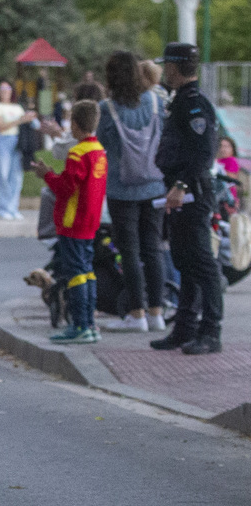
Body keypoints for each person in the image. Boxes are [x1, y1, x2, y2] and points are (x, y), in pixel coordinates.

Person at [150, 42, 222, 355]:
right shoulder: (182, 100)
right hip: (182, 191)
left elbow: (203, 151)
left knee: (202, 264)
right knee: (185, 261)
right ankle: (185, 327)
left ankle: (211, 332)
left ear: (176, 67)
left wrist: (180, 184)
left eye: (167, 65)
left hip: (192, 191)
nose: (165, 70)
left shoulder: (193, 102)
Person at [96, 50, 168, 334]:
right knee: (153, 249)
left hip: (121, 188)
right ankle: (157, 313)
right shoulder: (154, 101)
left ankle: (136, 313)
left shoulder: (106, 109)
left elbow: (102, 144)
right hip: (154, 185)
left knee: (129, 251)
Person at [32, 100, 107, 343]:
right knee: (87, 271)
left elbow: (65, 188)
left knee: (75, 273)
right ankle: (91, 324)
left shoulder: (77, 153)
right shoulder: (99, 151)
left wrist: (47, 175)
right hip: (91, 220)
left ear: (74, 124)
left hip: (73, 221)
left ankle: (79, 325)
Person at [0, 80, 37, 220]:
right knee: (3, 174)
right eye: (2, 88)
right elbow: (0, 126)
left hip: (18, 142)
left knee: (16, 175)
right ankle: (2, 207)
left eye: (7, 88)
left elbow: (28, 123)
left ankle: (13, 206)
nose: (5, 91)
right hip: (3, 140)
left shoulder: (17, 107)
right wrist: (20, 120)